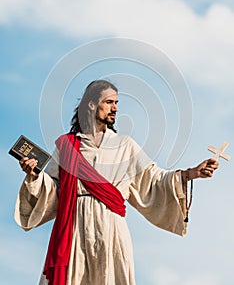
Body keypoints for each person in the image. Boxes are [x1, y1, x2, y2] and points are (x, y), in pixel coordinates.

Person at [15, 80, 218, 285]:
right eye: (109, 102)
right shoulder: (67, 147)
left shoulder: (124, 145)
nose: (115, 108)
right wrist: (34, 175)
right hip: (75, 228)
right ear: (92, 105)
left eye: (116, 102)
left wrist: (190, 174)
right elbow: (53, 189)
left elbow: (153, 178)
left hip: (111, 229)